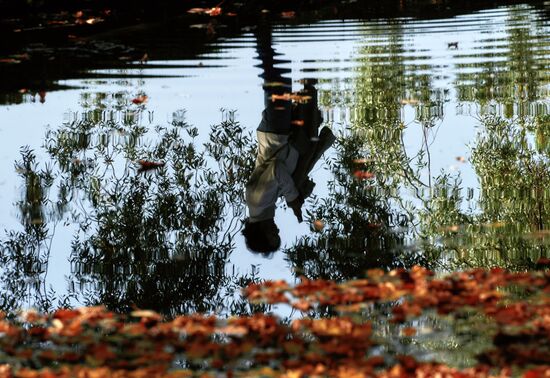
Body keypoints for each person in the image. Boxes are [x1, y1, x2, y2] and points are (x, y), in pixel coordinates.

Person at [242, 23, 335, 256]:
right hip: (282, 136)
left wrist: (293, 198)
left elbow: (275, 170)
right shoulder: (266, 205)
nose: (276, 230)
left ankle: (260, 33)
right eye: (278, 235)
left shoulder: (257, 203)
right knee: (283, 81)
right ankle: (264, 35)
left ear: (261, 233)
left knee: (277, 82)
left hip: (275, 133)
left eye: (273, 234)